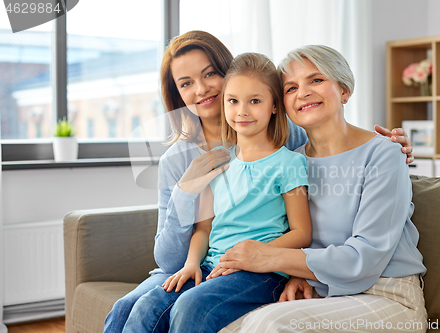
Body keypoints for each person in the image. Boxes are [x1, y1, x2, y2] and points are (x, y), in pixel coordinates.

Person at [103, 30, 414, 332]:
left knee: (205, 310)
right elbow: (178, 250)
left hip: (293, 272)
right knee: (129, 309)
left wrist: (393, 146)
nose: (201, 89)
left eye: (209, 74)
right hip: (212, 263)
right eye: (186, 83)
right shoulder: (189, 160)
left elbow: (307, 226)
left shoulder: (291, 145)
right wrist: (186, 193)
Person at [214, 45, 427, 333]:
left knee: (270, 323)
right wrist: (302, 275)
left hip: (387, 296)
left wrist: (269, 256)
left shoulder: (383, 153)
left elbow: (365, 257)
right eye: (290, 88)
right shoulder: (292, 162)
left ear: (344, 90)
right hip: (323, 292)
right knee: (223, 324)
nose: (302, 92)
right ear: (281, 105)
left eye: (316, 80)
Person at [121, 52, 312, 332]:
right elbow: (204, 228)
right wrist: (190, 264)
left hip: (262, 270)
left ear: (274, 106)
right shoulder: (218, 162)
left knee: (191, 306)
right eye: (233, 101)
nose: (242, 111)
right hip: (212, 264)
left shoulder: (289, 162)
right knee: (146, 307)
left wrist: (254, 253)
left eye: (255, 101)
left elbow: (302, 232)